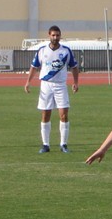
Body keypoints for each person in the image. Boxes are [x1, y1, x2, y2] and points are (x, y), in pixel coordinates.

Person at [24, 25, 80, 153]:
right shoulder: (42, 51)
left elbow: (74, 67)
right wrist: (28, 82)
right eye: (53, 35)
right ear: (49, 35)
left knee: (64, 115)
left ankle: (63, 144)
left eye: (57, 35)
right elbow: (34, 67)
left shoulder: (66, 51)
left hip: (61, 85)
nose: (55, 37)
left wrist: (76, 82)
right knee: (45, 115)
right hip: (46, 85)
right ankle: (45, 145)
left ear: (60, 36)